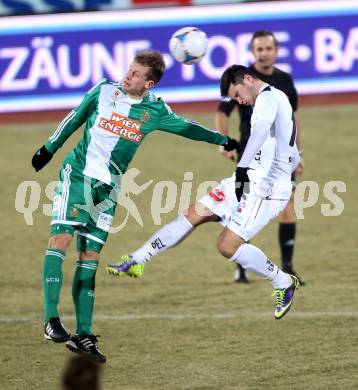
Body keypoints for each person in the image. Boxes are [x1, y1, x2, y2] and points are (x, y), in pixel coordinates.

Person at [31, 50, 239, 363]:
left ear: (149, 83)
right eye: (129, 70)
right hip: (78, 176)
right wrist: (48, 149)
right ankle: (51, 320)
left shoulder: (154, 110)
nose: (128, 76)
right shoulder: (103, 90)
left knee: (89, 258)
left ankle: (84, 335)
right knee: (60, 241)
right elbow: (74, 118)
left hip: (109, 189)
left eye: (136, 74)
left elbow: (187, 127)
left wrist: (222, 140)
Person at [107, 64, 301, 320]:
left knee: (227, 245)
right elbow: (284, 143)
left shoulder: (267, 98)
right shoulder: (274, 98)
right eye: (234, 99)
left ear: (248, 78)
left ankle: (282, 281)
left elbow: (262, 131)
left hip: (266, 187)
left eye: (237, 93)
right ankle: (138, 259)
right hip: (249, 178)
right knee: (194, 214)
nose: (239, 100)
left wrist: (243, 167)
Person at [215, 30, 304, 284]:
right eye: (259, 49)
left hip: (279, 159)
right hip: (249, 154)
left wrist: (299, 151)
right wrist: (225, 141)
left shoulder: (284, 81)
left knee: (287, 208)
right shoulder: (241, 80)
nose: (264, 53)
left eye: (268, 49)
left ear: (275, 51)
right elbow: (222, 113)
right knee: (243, 208)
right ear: (253, 53)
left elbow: (293, 118)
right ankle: (241, 266)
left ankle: (287, 267)